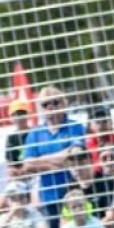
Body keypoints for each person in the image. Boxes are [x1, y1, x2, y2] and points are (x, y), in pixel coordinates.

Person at [20, 86, 88, 220]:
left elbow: (72, 156)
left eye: (55, 102)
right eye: (46, 104)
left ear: (64, 103)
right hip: (48, 196)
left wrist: (40, 160)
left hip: (74, 193)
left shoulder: (75, 127)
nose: (51, 107)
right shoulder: (34, 133)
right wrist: (59, 161)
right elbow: (28, 166)